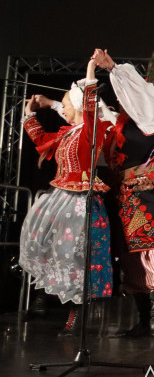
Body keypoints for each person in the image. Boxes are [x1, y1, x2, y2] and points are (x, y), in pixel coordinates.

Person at [20, 58, 114, 336]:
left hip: (80, 201)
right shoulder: (68, 132)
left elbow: (89, 102)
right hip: (60, 198)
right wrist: (30, 113)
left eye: (67, 102)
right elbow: (40, 141)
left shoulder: (89, 130)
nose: (66, 107)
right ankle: (43, 297)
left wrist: (89, 71)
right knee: (44, 245)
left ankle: (76, 315)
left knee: (73, 256)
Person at [93, 50, 154, 337]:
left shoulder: (146, 117)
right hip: (126, 196)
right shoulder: (123, 123)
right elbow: (100, 113)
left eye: (126, 94)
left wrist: (114, 69)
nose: (122, 99)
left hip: (149, 194)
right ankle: (145, 319)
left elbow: (141, 94)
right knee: (131, 258)